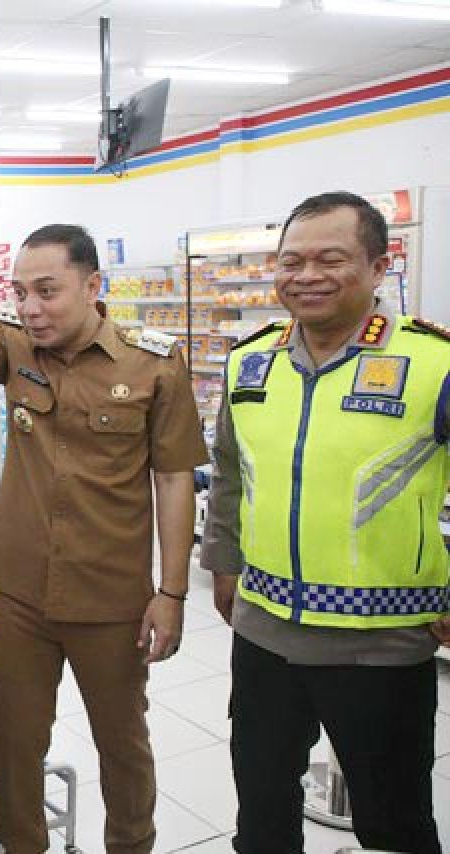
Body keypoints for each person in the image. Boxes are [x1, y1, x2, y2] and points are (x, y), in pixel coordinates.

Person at [0, 175, 209, 854]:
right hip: (19, 589)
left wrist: (170, 593)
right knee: (18, 742)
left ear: (91, 285)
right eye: (21, 291)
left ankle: (130, 845)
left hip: (110, 594)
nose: (32, 305)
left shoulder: (154, 367)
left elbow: (175, 482)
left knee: (123, 741)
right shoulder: (15, 347)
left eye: (46, 290)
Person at [201, 191, 450, 854]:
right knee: (262, 813)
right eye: (292, 260)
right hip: (263, 635)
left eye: (330, 259)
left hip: (384, 643)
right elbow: (228, 473)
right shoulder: (250, 362)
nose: (306, 275)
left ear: (377, 265)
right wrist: (222, 562)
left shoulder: (434, 364)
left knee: (394, 822)